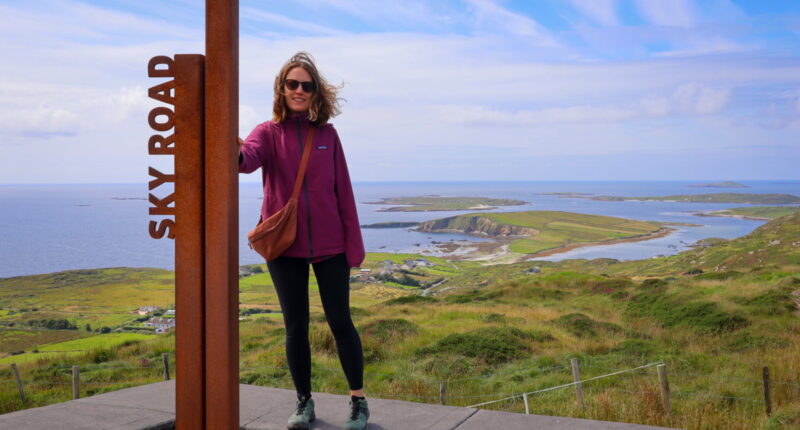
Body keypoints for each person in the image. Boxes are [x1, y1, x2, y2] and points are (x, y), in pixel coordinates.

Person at [238, 52, 369, 430]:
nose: (299, 90)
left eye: (306, 86)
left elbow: (342, 190)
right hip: (285, 247)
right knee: (295, 326)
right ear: (281, 89)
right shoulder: (266, 132)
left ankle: (358, 401)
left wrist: (353, 245)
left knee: (340, 323)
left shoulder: (327, 135)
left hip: (331, 247)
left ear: (316, 94)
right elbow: (245, 161)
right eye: (292, 84)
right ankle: (303, 402)